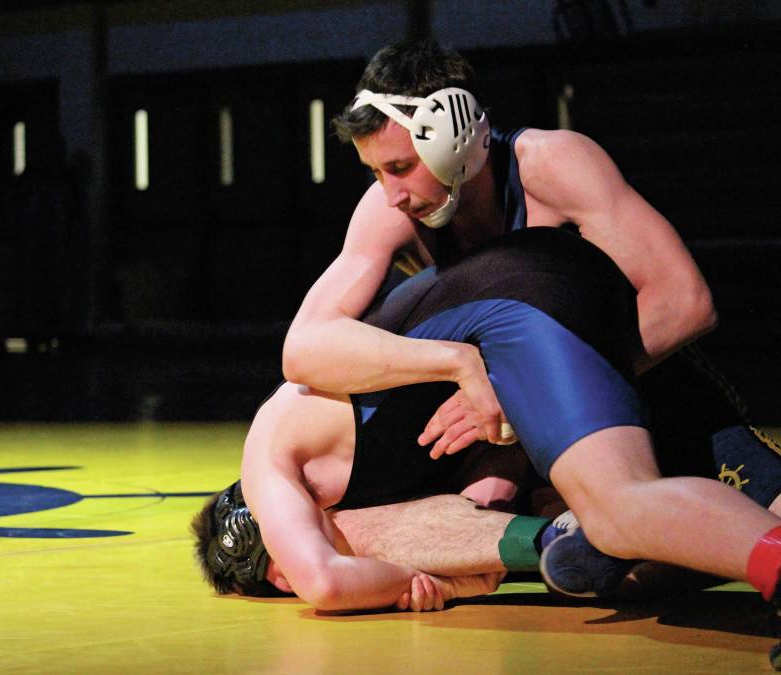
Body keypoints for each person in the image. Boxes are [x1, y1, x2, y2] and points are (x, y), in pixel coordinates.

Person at [281, 41, 781, 516]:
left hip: (648, 383)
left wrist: (529, 390)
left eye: (401, 166)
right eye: (375, 172)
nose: (392, 194)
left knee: (764, 515)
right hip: (505, 425)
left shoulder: (551, 165)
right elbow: (303, 348)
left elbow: (685, 302)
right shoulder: (390, 211)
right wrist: (463, 371)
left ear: (455, 137)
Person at [193, 227, 781, 613]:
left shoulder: (276, 454)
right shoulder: (357, 483)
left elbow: (323, 583)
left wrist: (414, 581)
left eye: (279, 569)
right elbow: (487, 463)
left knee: (621, 512)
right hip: (565, 366)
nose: (290, 580)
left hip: (574, 351)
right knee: (624, 559)